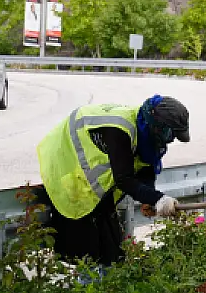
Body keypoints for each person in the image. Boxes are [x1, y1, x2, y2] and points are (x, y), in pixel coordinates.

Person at [36, 95, 191, 266]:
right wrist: (158, 198)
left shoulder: (144, 129)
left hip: (93, 181)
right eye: (171, 135)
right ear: (158, 127)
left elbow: (146, 168)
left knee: (112, 249)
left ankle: (103, 281)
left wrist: (149, 198)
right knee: (85, 248)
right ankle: (87, 284)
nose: (170, 141)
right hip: (66, 163)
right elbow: (124, 179)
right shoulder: (119, 131)